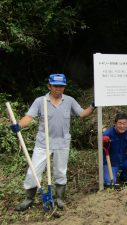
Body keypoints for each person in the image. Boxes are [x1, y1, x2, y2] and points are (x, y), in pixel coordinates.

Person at [10, 74, 95, 211]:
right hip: (43, 143)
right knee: (33, 171)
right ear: (49, 86)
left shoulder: (69, 100)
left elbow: (82, 114)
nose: (59, 89)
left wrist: (92, 105)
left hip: (62, 142)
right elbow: (29, 117)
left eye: (61, 86)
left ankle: (59, 198)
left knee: (60, 171)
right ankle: (29, 199)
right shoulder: (40, 101)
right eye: (55, 86)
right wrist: (19, 125)